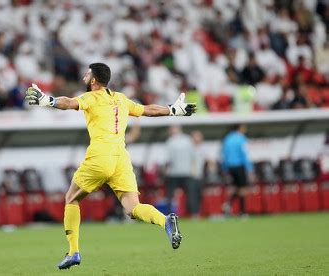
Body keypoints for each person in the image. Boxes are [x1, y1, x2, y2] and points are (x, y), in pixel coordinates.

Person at [25, 63, 196, 269]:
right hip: (121, 159)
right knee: (133, 209)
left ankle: (73, 252)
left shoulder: (91, 97)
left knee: (71, 198)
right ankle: (165, 221)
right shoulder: (121, 99)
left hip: (100, 156)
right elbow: (147, 110)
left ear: (94, 80)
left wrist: (47, 100)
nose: (84, 77)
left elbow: (69, 102)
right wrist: (173, 110)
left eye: (87, 74)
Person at [221, 124, 253, 217]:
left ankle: (228, 205)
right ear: (240, 128)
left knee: (235, 188)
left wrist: (225, 168)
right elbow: (245, 154)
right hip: (239, 166)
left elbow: (224, 154)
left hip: (230, 167)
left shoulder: (227, 139)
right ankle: (243, 212)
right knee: (243, 189)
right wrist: (250, 169)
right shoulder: (241, 138)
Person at [165, 126, 195, 215]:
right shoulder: (188, 140)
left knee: (170, 195)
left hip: (173, 173)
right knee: (190, 194)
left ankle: (170, 214)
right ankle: (193, 213)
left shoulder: (170, 141)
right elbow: (193, 156)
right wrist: (193, 170)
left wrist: (165, 171)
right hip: (187, 172)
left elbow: (167, 159)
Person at [190, 131, 205, 218]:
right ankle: (194, 213)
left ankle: (198, 212)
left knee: (199, 195)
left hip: (200, 175)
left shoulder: (203, 148)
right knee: (193, 195)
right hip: (191, 175)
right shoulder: (190, 149)